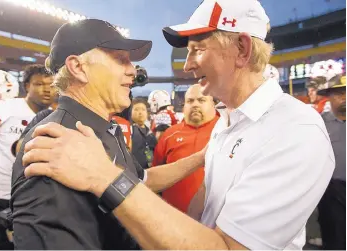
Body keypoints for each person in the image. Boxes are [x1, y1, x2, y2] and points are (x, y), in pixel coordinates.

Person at [21, 1, 334, 249]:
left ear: (241, 49)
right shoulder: (228, 123)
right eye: (121, 59)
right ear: (77, 67)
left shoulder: (295, 131)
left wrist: (104, 175)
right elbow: (195, 202)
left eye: (198, 49)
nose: (186, 65)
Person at [11, 19, 206, 250]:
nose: (133, 70)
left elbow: (142, 181)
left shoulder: (103, 129)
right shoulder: (56, 145)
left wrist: (203, 156)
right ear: (78, 67)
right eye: (120, 59)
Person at [0, 65, 54, 249]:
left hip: (30, 201)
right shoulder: (2, 110)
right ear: (26, 86)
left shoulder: (56, 116)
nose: (47, 89)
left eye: (52, 85)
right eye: (39, 84)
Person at [153, 84, 219, 213]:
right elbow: (155, 176)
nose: (195, 104)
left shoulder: (226, 131)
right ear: (184, 106)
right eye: (190, 101)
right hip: (174, 220)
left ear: (213, 104)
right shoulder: (168, 136)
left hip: (217, 223)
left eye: (201, 100)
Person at [316, 75, 346, 250]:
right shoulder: (319, 123)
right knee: (334, 237)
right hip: (331, 191)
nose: (344, 97)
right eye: (339, 94)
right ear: (329, 96)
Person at [131, 98, 157, 169]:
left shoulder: (150, 133)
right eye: (136, 109)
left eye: (143, 109)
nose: (140, 112)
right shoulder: (129, 131)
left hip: (149, 171)